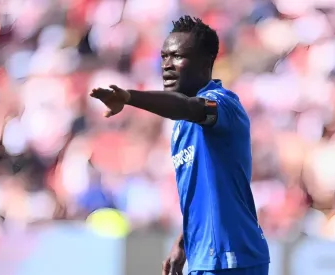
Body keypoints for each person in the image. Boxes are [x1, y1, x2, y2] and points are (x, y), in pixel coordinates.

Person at [89, 15, 270, 275]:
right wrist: (183, 244)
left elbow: (187, 107)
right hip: (204, 258)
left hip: (232, 256)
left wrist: (129, 97)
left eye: (177, 57)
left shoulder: (223, 104)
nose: (167, 66)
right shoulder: (180, 127)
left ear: (206, 62)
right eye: (164, 57)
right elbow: (202, 195)